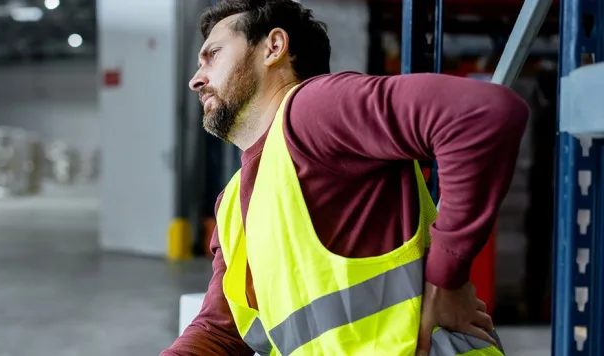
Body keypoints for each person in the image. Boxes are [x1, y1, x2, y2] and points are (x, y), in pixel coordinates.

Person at [162, 0, 528, 355]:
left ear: (273, 47)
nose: (196, 79)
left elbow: (484, 115)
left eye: (213, 54)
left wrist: (445, 281)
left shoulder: (312, 111)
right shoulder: (232, 206)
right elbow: (218, 333)